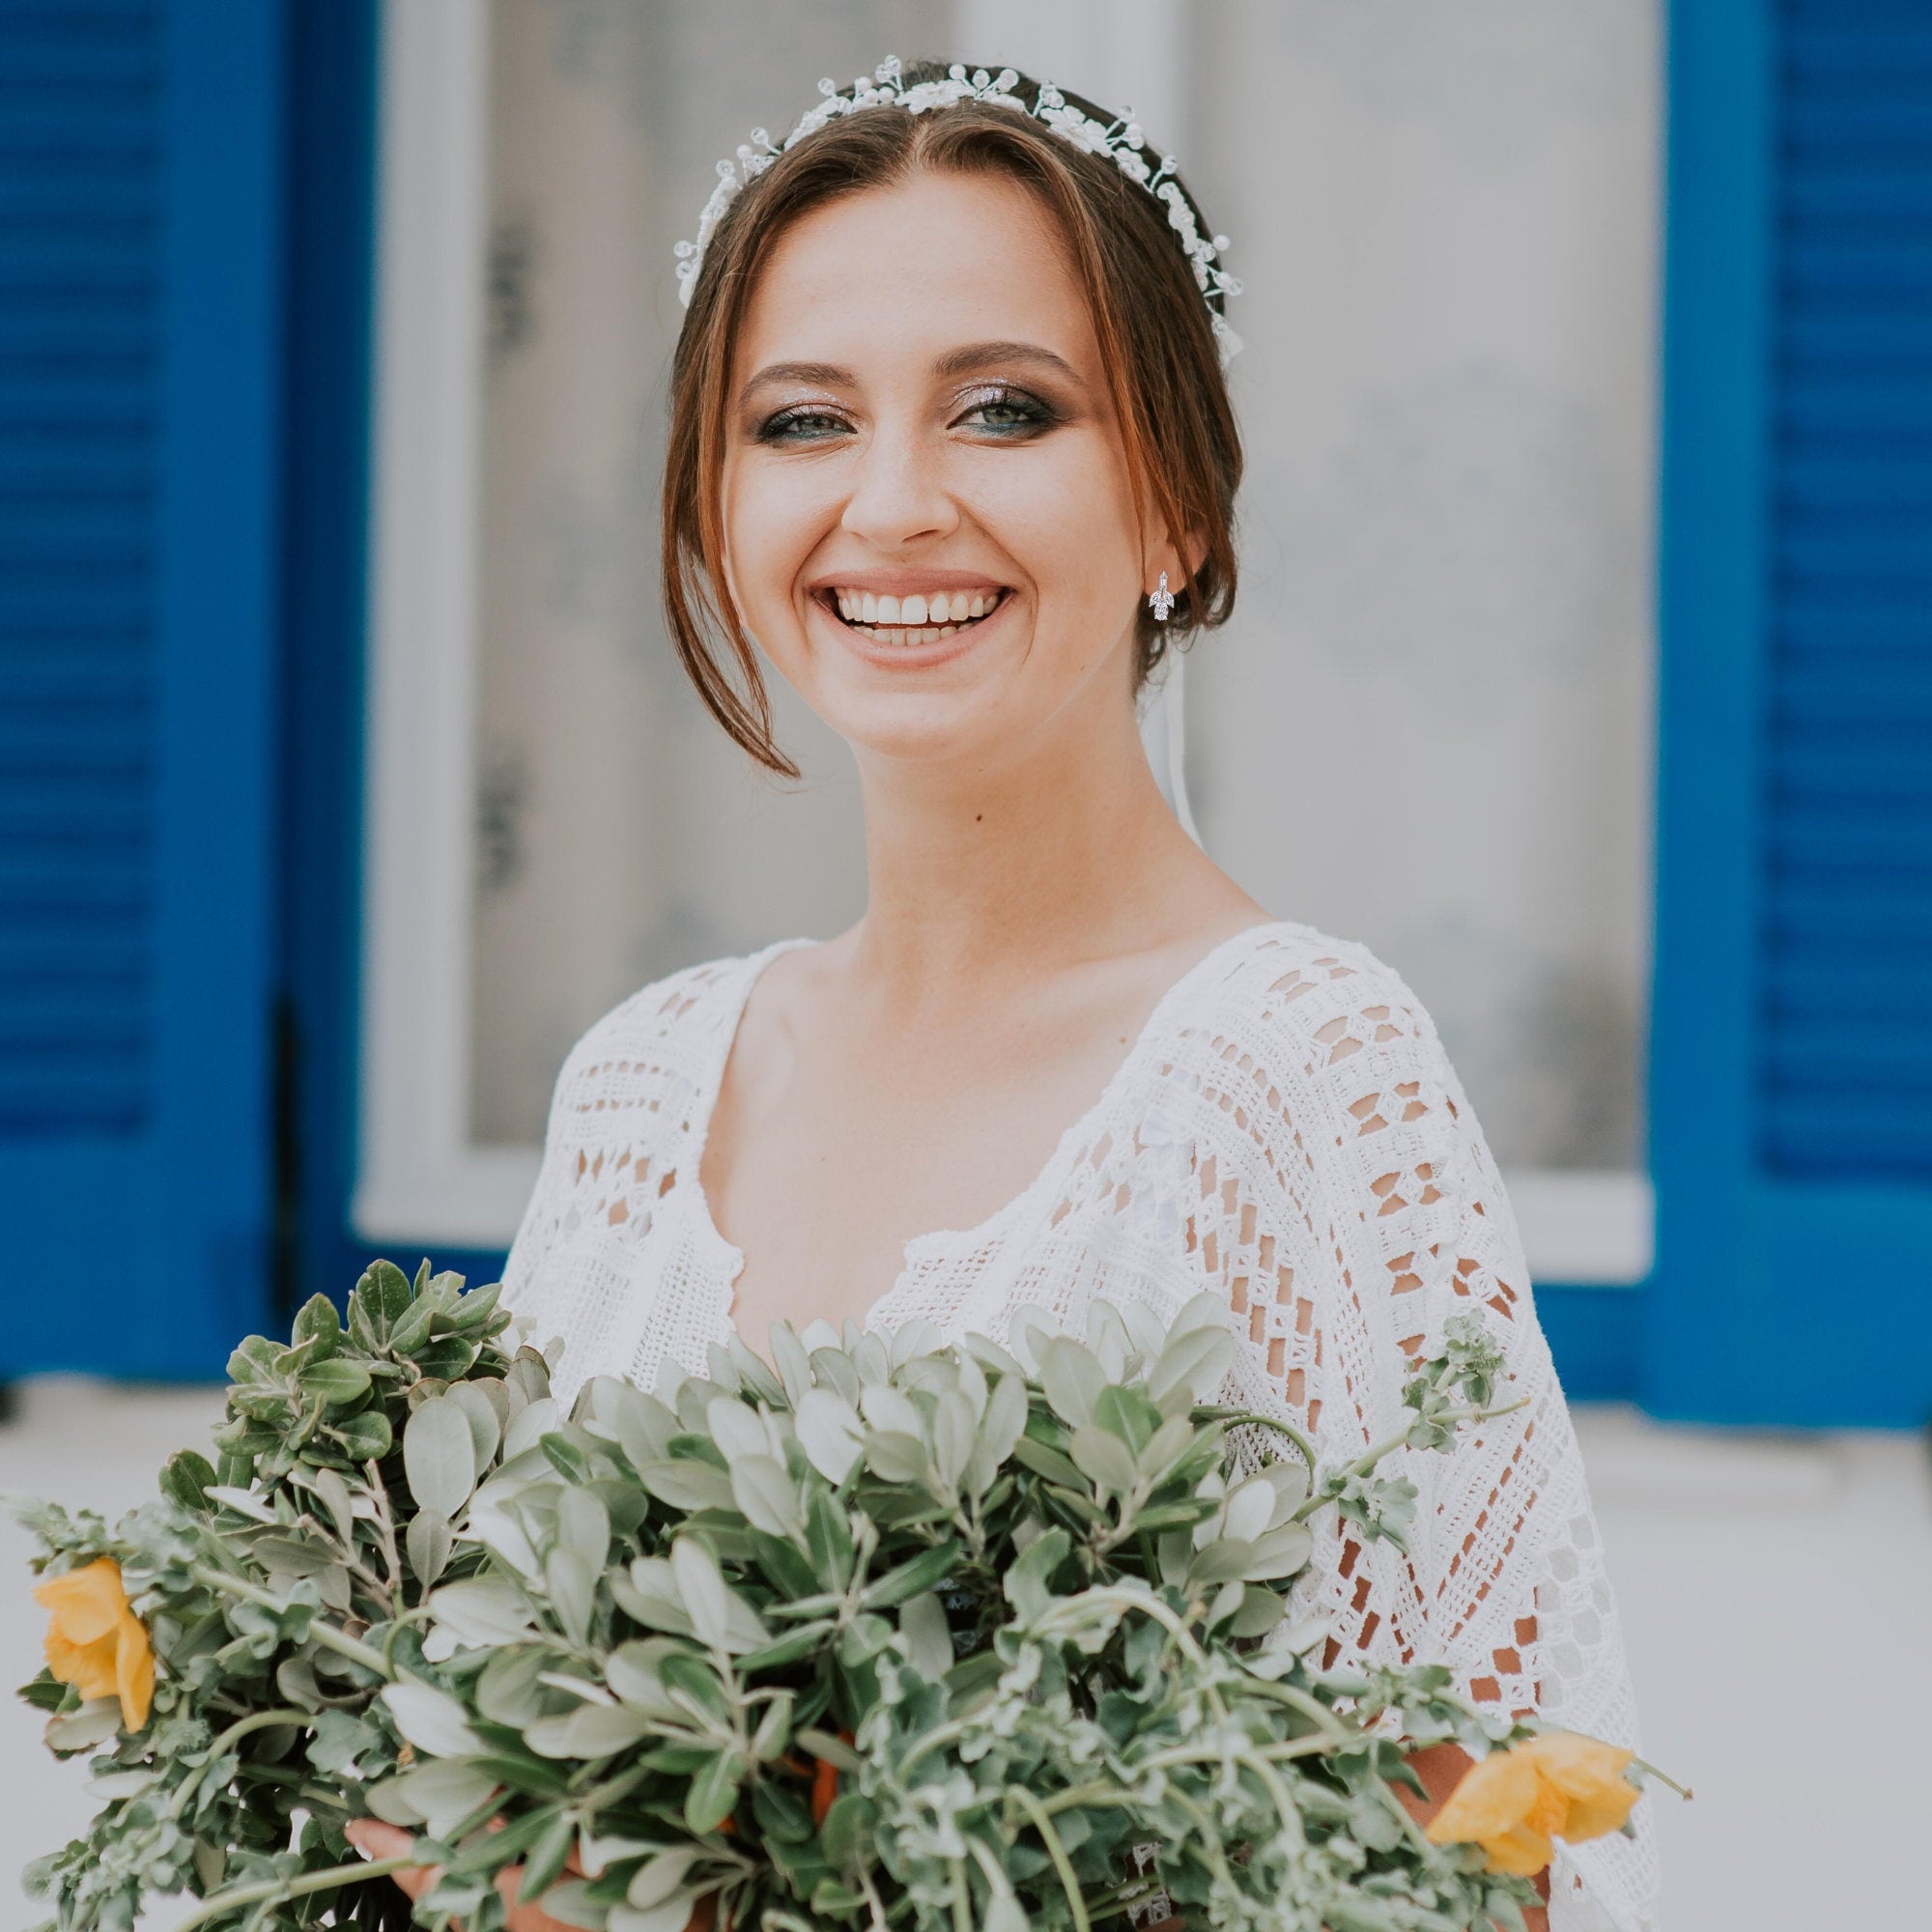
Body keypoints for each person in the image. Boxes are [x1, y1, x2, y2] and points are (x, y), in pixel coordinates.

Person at [349, 58, 1656, 1932]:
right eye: (800, 420)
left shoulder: (1290, 1069)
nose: (892, 503)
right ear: (717, 507)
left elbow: (1500, 1870)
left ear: (1180, 512)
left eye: (1003, 408)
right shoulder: (637, 1087)